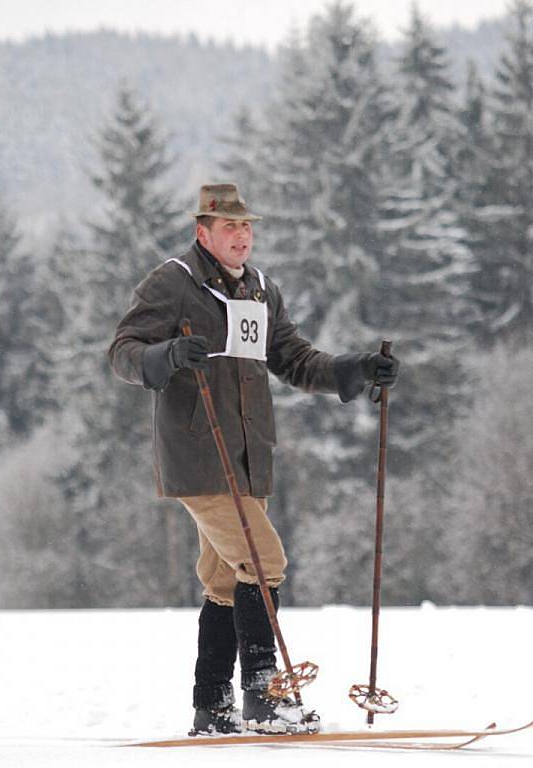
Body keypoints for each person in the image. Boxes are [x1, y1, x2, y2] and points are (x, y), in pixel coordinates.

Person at [108, 183, 399, 736]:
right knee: (264, 562)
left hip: (249, 456)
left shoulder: (262, 290)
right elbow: (122, 352)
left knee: (225, 579)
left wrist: (355, 369)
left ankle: (212, 704)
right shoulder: (173, 282)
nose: (241, 236)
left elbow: (293, 359)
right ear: (203, 232)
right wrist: (164, 354)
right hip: (199, 453)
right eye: (229, 227)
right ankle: (266, 697)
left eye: (246, 226)